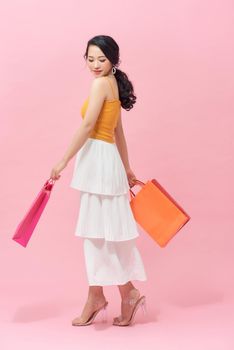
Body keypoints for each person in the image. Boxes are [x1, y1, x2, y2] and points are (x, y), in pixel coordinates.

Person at [50, 35, 147, 326]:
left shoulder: (100, 84)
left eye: (101, 59)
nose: (94, 64)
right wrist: (127, 167)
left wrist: (64, 159)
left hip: (98, 163)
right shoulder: (113, 83)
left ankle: (114, 294)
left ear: (113, 60)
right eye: (90, 58)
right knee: (104, 234)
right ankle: (109, 294)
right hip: (108, 163)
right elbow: (118, 131)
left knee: (99, 235)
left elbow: (89, 124)